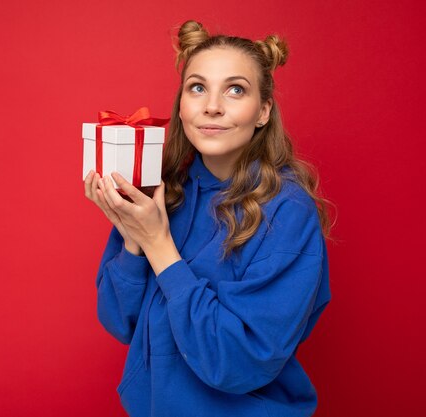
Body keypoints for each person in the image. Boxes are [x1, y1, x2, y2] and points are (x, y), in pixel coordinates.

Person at [84, 19, 332, 417]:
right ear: (181, 105)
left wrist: (159, 245)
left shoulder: (288, 212)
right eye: (197, 87)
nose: (212, 105)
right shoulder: (165, 192)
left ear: (263, 111)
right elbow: (120, 322)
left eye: (236, 90)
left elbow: (237, 362)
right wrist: (132, 232)